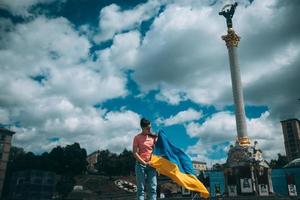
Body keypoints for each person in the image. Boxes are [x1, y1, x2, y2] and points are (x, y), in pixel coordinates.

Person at [133, 118, 157, 200]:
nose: (149, 129)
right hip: (140, 165)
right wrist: (144, 162)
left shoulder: (153, 138)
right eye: (148, 128)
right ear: (142, 127)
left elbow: (157, 151)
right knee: (141, 190)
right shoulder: (137, 138)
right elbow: (135, 153)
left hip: (152, 165)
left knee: (153, 188)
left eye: (150, 127)